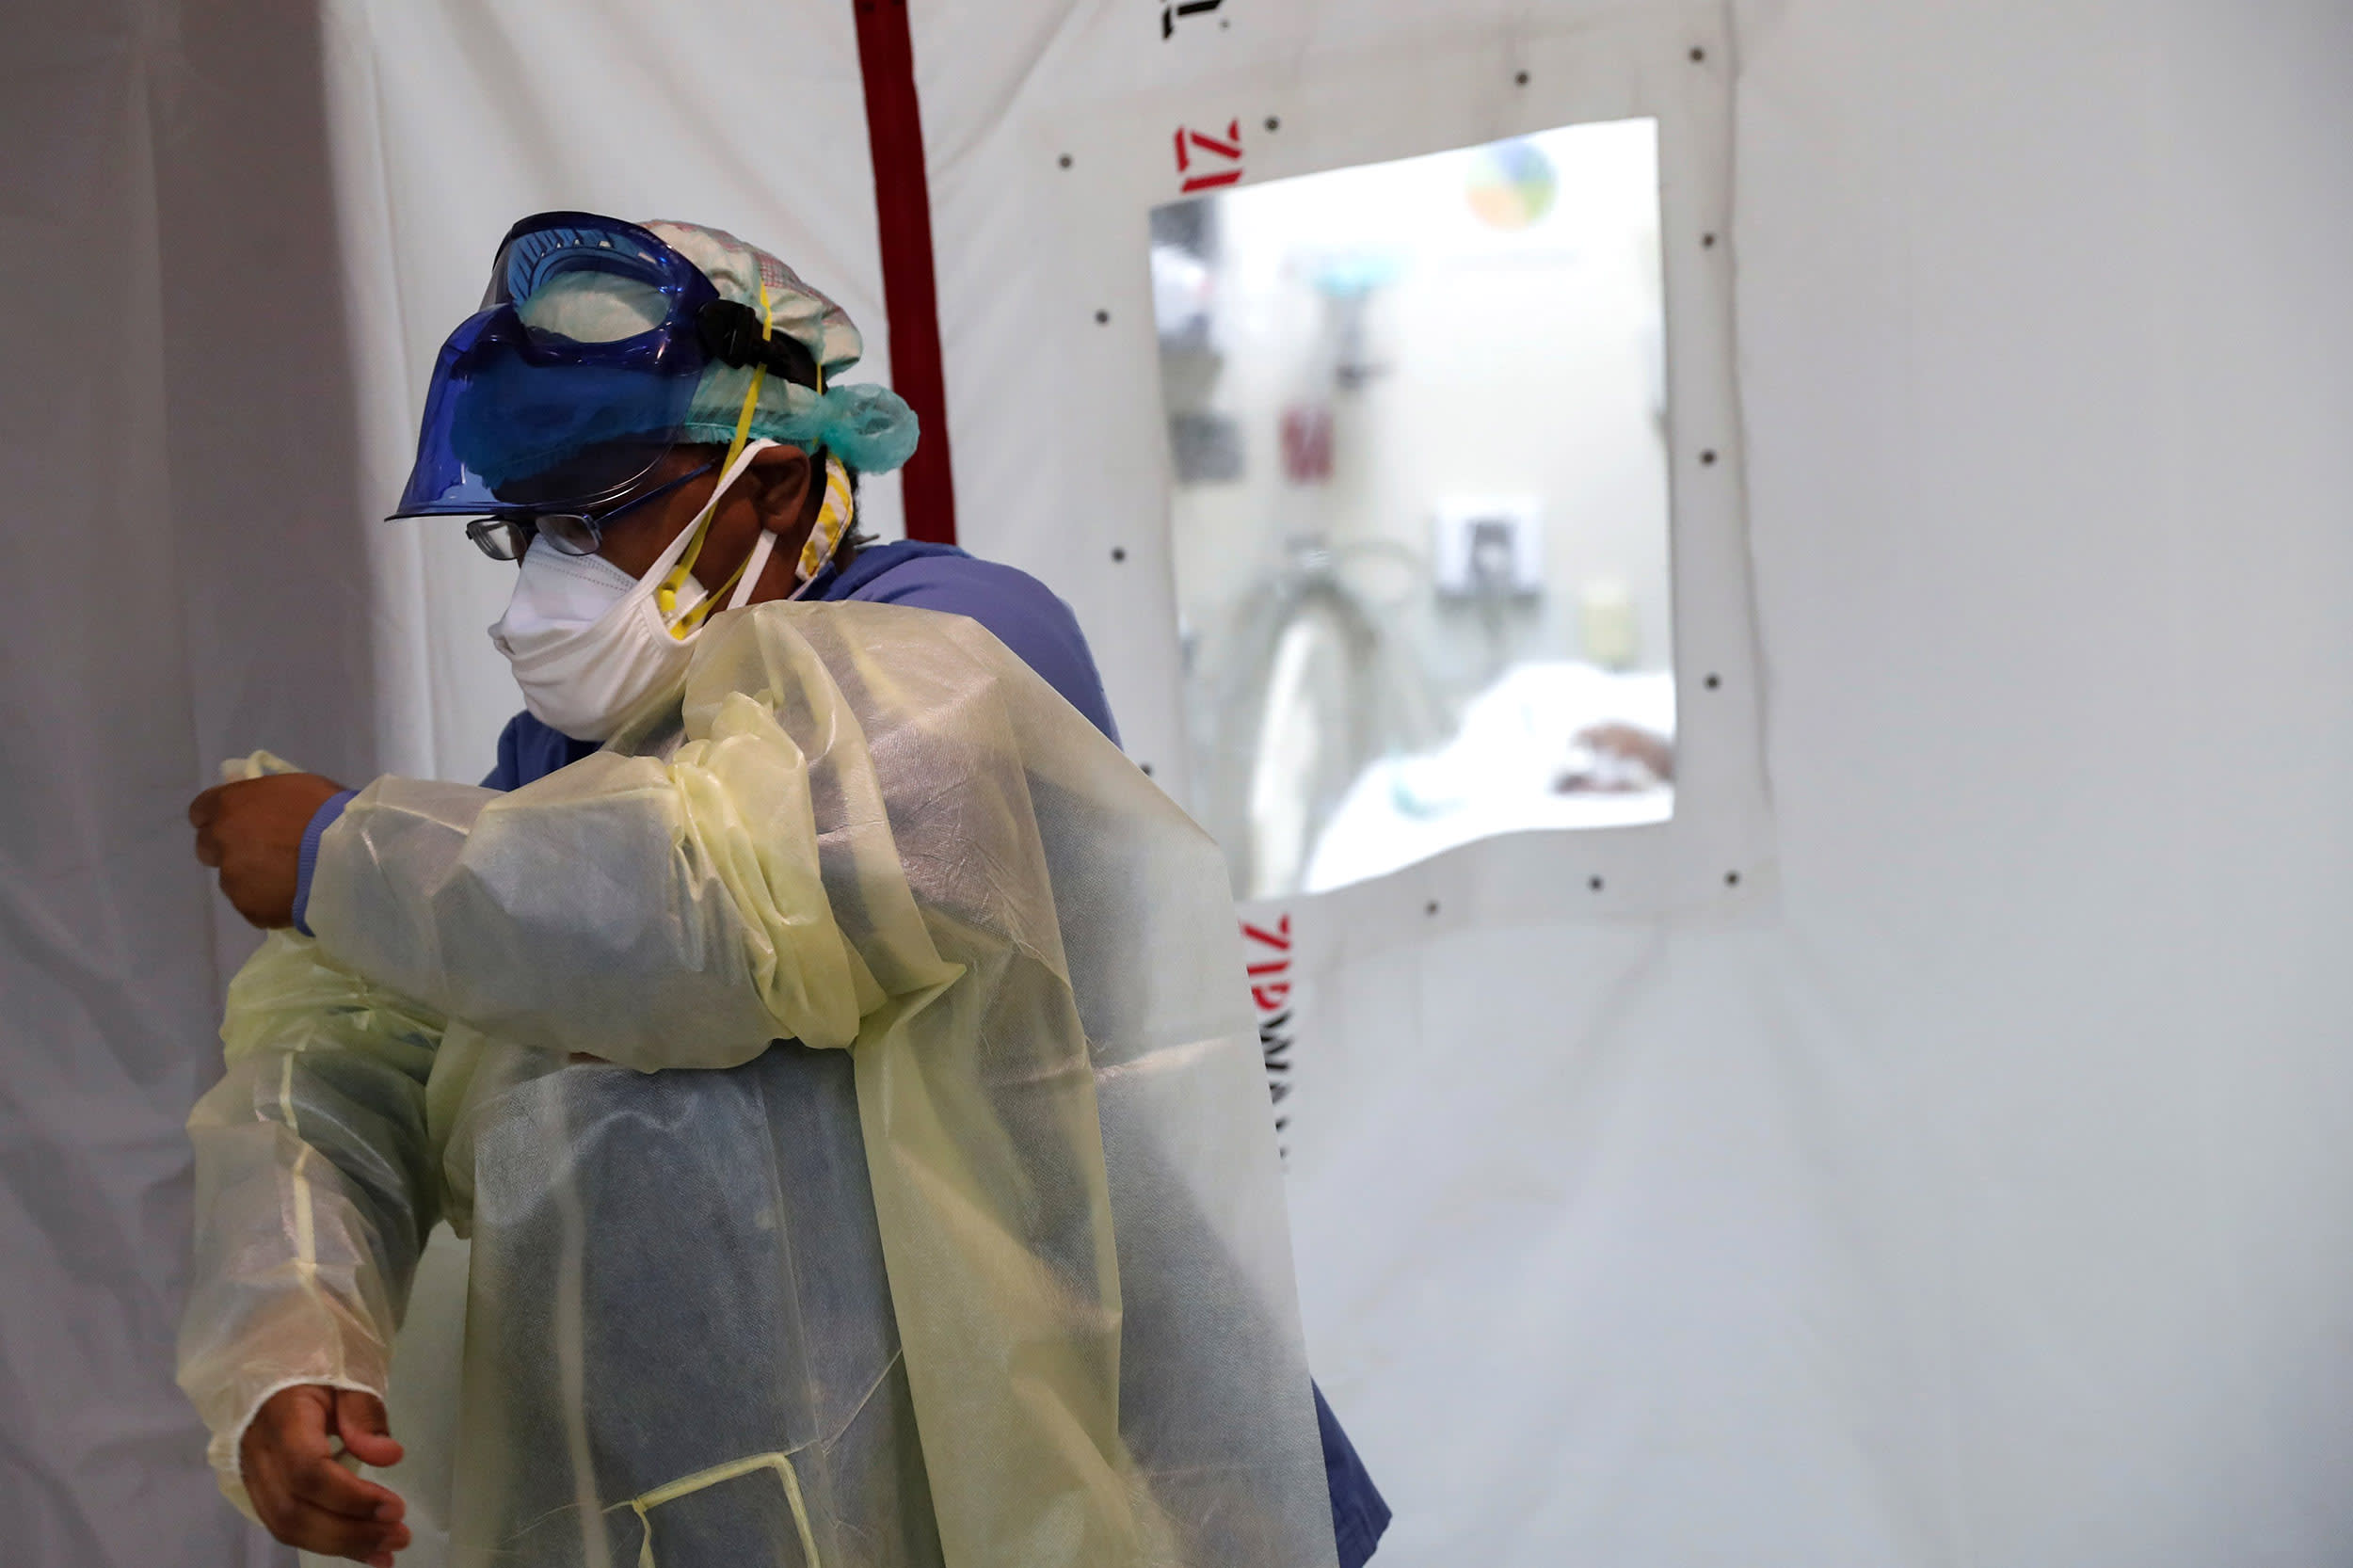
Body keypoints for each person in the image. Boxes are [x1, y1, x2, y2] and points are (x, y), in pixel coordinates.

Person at [182, 214, 1388, 1568]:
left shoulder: (960, 647)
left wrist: (340, 853)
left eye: (594, 515)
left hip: (1090, 1483)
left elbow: (718, 911)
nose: (547, 579)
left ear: (774, 479)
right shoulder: (561, 769)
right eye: (522, 530)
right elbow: (369, 1055)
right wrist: (297, 1326)